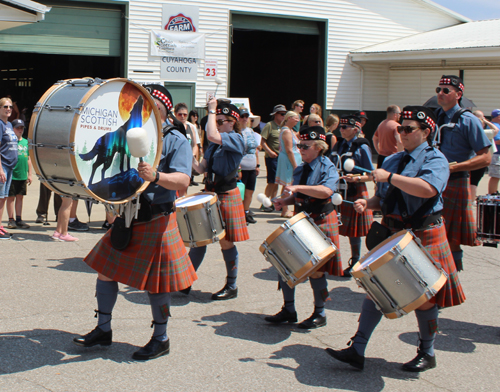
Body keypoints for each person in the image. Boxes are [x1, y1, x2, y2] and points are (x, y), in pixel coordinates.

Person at [326, 106, 465, 372]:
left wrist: (390, 177)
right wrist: (368, 203)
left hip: (423, 232)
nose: (402, 133)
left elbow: (427, 190)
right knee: (376, 288)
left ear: (426, 132)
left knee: (424, 297)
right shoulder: (391, 160)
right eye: (400, 128)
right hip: (393, 232)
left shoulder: (436, 160)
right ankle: (357, 349)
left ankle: (428, 352)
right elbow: (385, 198)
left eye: (408, 129)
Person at [73, 84, 197, 360]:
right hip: (129, 216)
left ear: (165, 111)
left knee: (157, 284)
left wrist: (156, 176)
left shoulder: (176, 140)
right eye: (146, 104)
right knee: (105, 270)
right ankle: (103, 330)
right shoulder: (130, 133)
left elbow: (183, 181)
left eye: (156, 106)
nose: (150, 110)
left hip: (157, 218)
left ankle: (161, 338)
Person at [265, 125, 342, 329]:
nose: (300, 149)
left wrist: (298, 188)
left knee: (316, 272)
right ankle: (288, 309)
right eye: (299, 145)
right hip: (302, 221)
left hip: (321, 220)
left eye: (305, 146)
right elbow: (299, 196)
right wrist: (286, 201)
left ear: (318, 147)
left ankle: (320, 313)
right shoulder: (300, 168)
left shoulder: (328, 166)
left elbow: (326, 191)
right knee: (285, 263)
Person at [187, 99, 249, 300]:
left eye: (221, 121)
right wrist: (188, 155)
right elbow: (201, 169)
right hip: (210, 192)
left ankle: (232, 286)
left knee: (226, 243)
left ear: (232, 122)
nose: (218, 124)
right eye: (217, 120)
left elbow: (212, 133)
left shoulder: (236, 139)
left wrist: (211, 110)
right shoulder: (215, 144)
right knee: (199, 239)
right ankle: (185, 280)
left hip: (226, 194)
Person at [434, 75, 491, 270]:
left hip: (455, 180)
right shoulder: (434, 118)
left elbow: (485, 157)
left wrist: (454, 167)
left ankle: (452, 278)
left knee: (451, 236)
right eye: (438, 90)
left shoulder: (468, 120)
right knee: (433, 230)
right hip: (433, 181)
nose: (440, 93)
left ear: (458, 94)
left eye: (445, 90)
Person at [331, 114, 374, 277]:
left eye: (344, 127)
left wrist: (356, 177)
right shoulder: (339, 145)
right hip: (339, 191)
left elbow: (371, 174)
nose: (341, 130)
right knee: (338, 226)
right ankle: (331, 260)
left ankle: (356, 260)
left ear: (355, 129)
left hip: (355, 190)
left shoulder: (361, 146)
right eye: (340, 127)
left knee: (354, 231)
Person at [6, 119, 32, 229]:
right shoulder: (10, 142)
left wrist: (30, 174)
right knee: (11, 197)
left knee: (20, 197)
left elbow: (29, 158)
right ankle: (11, 219)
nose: (20, 130)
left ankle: (19, 218)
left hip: (22, 174)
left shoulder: (26, 142)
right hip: (12, 174)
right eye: (17, 128)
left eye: (21, 128)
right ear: (12, 129)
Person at [260, 104, 287, 212]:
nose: (283, 116)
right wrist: (270, 152)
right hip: (272, 157)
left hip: (281, 158)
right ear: (275, 115)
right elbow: (262, 141)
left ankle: (272, 202)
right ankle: (264, 203)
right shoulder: (270, 125)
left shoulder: (283, 126)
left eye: (285, 114)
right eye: (281, 114)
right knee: (271, 181)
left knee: (277, 181)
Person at [275, 111, 302, 218]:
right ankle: (285, 209)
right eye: (296, 118)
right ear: (289, 118)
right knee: (288, 185)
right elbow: (289, 150)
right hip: (288, 161)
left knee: (288, 185)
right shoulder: (286, 131)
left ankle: (285, 208)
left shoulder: (290, 131)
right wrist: (295, 165)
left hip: (291, 159)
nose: (297, 120)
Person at [238, 106, 261, 224]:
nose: (244, 119)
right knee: (241, 192)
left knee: (249, 192)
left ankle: (246, 212)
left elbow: (255, 149)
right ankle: (240, 215)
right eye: (242, 116)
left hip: (251, 166)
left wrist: (257, 165)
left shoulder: (251, 131)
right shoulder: (236, 132)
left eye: (246, 116)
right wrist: (238, 168)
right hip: (241, 167)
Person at [0, 97, 18, 240]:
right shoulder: (0, 125)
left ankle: (1, 226)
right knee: (0, 198)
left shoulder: (9, 125)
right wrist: (0, 169)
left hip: (10, 167)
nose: (8, 109)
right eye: (5, 106)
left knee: (4, 198)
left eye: (10, 106)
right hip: (3, 166)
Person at [471, 110, 499, 200]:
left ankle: (470, 199)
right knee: (474, 181)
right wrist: (487, 121)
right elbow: (496, 134)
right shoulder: (483, 131)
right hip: (482, 157)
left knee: (474, 180)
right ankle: (471, 200)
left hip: (479, 158)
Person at [175, 103, 201, 190]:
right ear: (175, 114)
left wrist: (192, 155)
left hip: (187, 161)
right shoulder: (172, 126)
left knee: (184, 185)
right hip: (175, 160)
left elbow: (195, 145)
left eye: (185, 114)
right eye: (180, 114)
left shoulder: (191, 127)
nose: (182, 116)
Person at [487, 109, 500, 194]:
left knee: (497, 176)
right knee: (495, 176)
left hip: (497, 154)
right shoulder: (494, 126)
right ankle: (492, 194)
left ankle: (494, 192)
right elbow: (496, 140)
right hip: (496, 154)